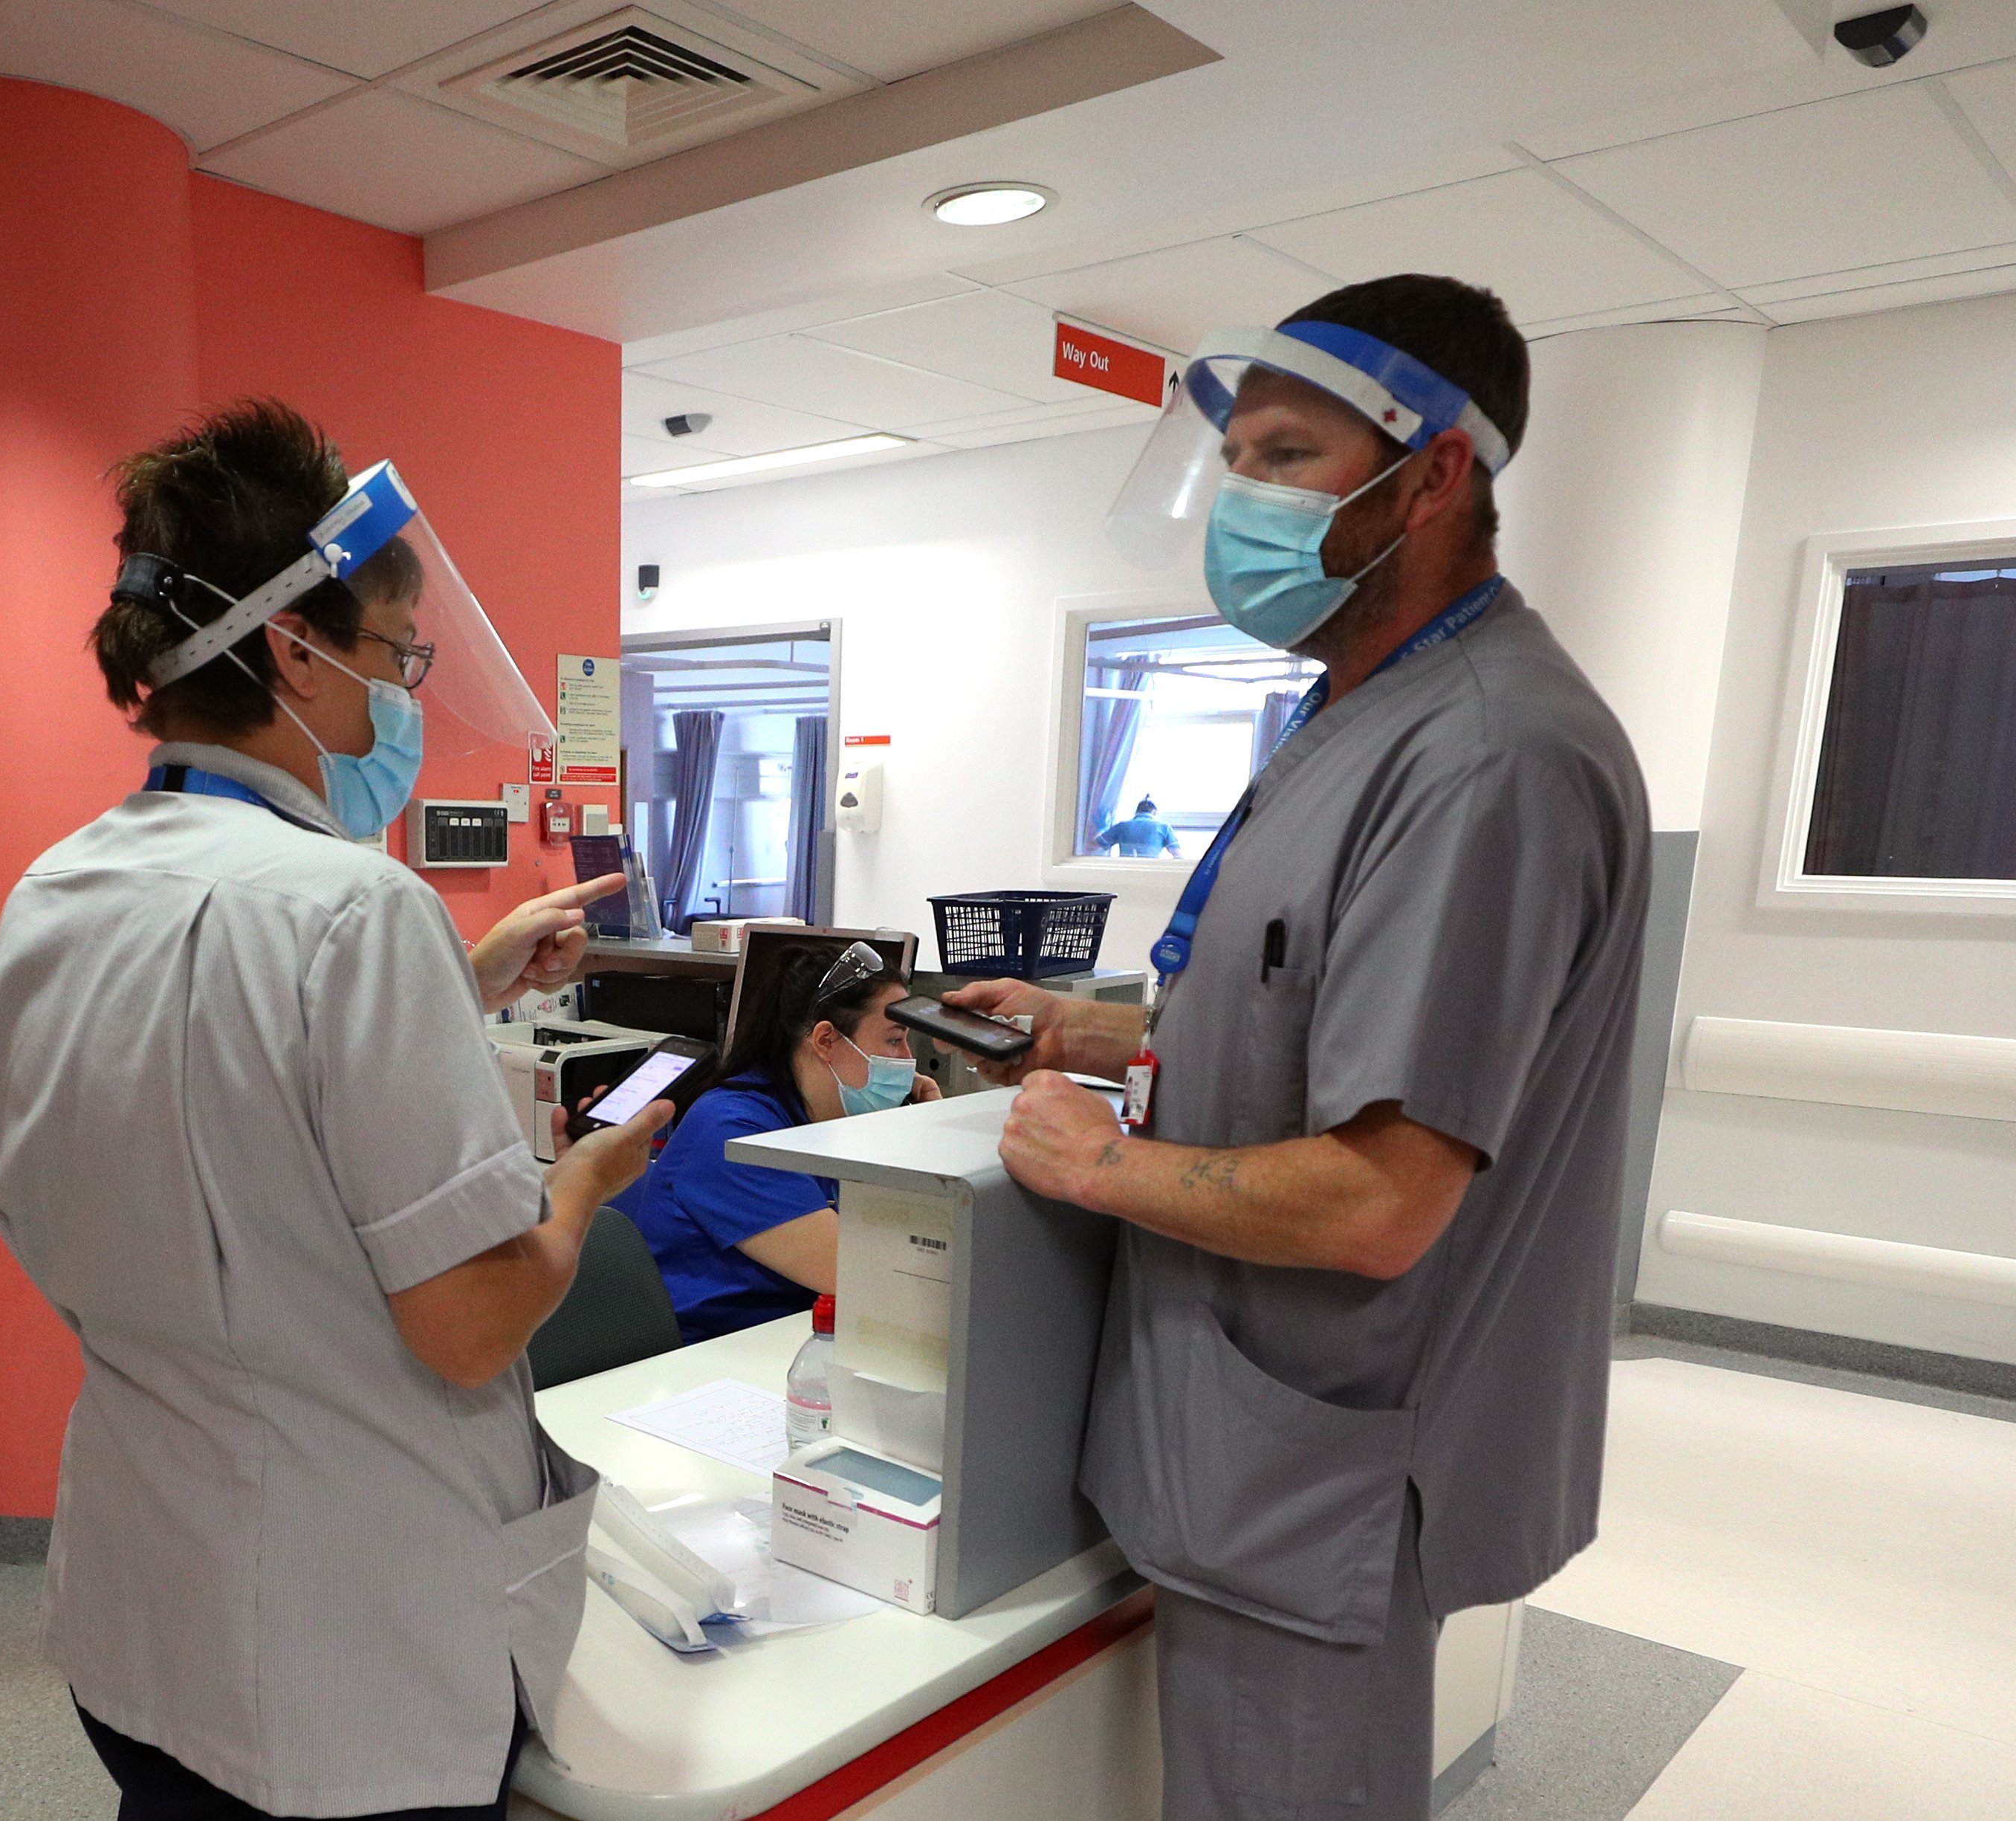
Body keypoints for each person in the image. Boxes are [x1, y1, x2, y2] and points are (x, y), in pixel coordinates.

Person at [957, 275, 1649, 1820]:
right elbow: (1304, 1013)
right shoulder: (1352, 710)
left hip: (1321, 1467)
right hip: (1243, 1447)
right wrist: (1103, 1027)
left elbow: (1376, 1197)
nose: (1242, 500)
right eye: (1240, 461)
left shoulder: (1486, 754)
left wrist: (1101, 1155)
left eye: (1284, 456)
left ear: (1437, 472)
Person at [0, 400, 664, 1821]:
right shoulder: (354, 911)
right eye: (397, 658)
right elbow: (469, 1323)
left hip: (140, 1597)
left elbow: (202, 1094)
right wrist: (587, 1176)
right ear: (292, 647)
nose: (402, 700)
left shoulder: (61, 888)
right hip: (339, 1654)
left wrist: (456, 982)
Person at [621, 939, 937, 1342]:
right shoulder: (732, 1131)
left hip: (786, 1339)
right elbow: (866, 1275)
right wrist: (928, 1142)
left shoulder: (824, 1121)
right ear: (826, 1040)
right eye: (895, 1040)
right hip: (709, 1360)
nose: (907, 1060)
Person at [1094, 796, 1183, 857]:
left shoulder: (1122, 826)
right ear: (1155, 813)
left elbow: (1093, 845)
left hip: (1125, 870)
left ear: (1137, 812)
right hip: (1151, 872)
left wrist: (1103, 828)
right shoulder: (1164, 827)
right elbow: (1177, 855)